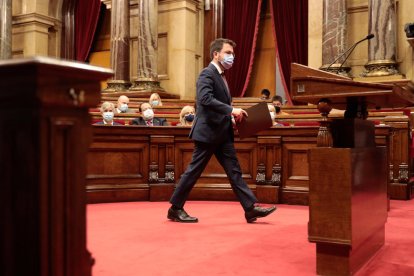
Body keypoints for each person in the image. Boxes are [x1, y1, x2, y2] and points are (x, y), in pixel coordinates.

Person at [168, 38, 276, 223]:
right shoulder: (207, 74)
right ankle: (175, 208)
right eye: (228, 53)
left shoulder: (221, 75)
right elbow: (205, 99)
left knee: (234, 171)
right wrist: (231, 110)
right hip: (208, 133)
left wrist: (232, 117)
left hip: (222, 133)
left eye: (233, 54)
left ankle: (250, 209)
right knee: (193, 171)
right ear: (215, 54)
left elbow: (218, 105)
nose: (231, 57)